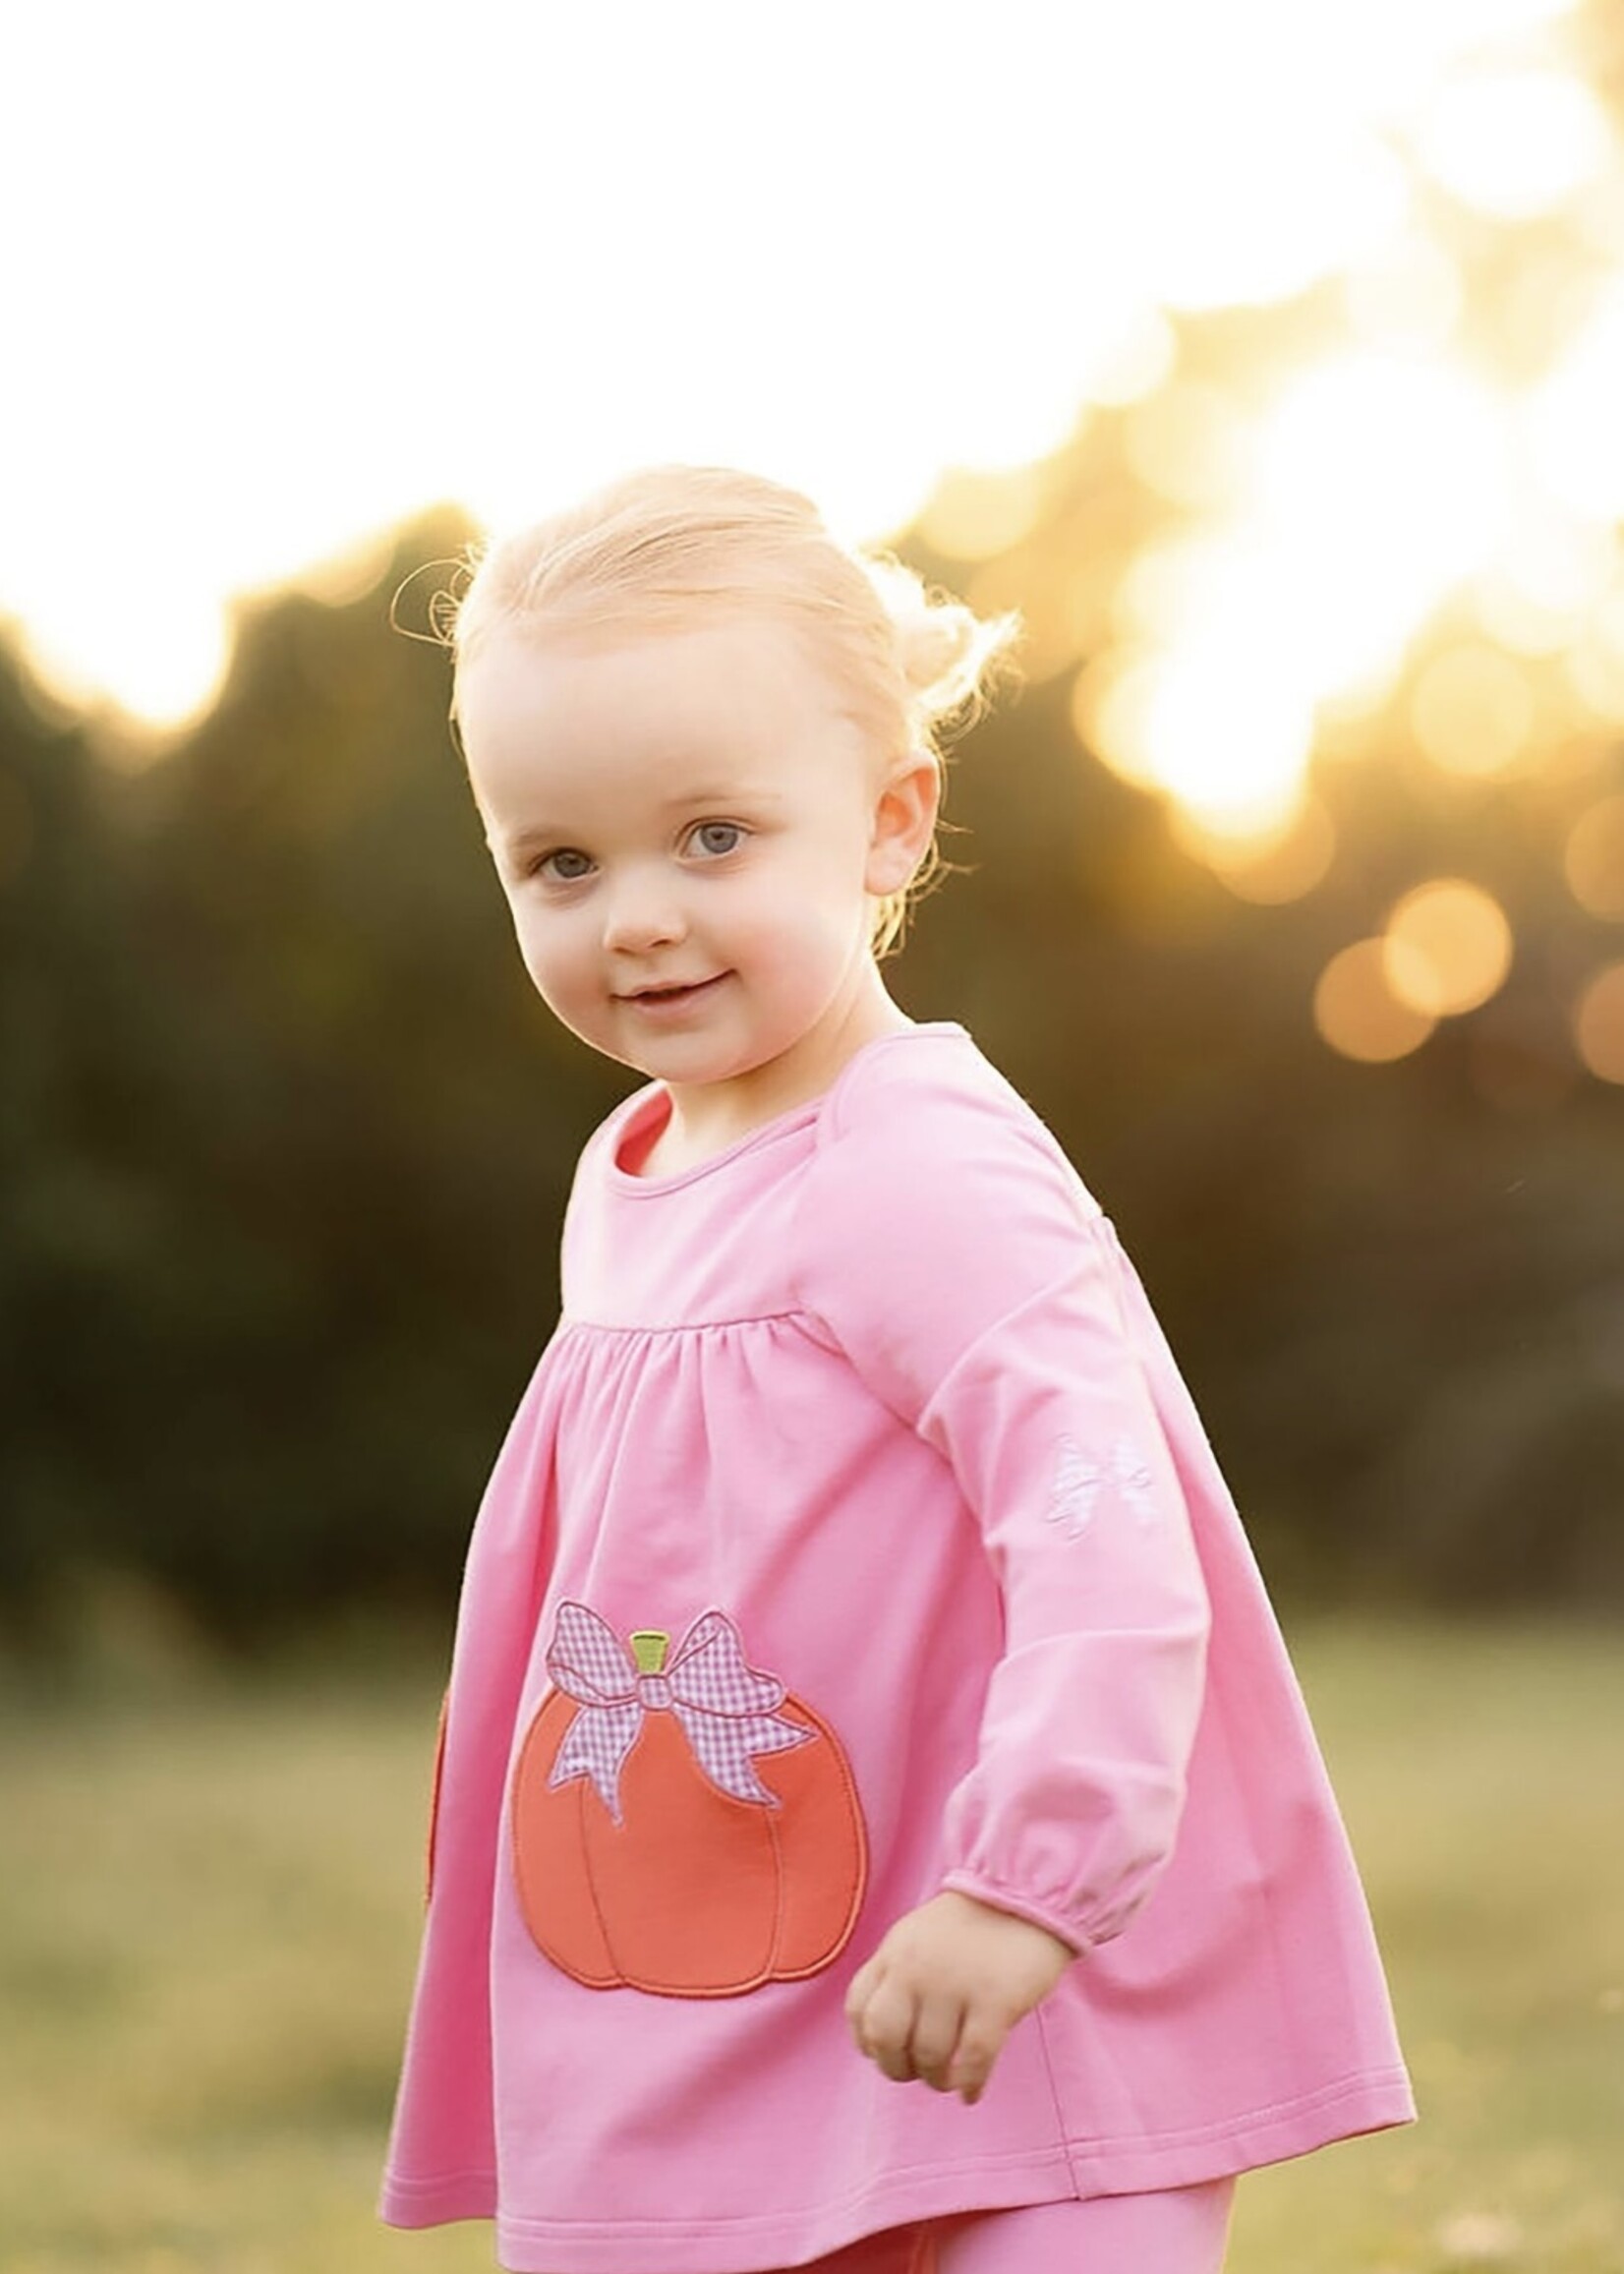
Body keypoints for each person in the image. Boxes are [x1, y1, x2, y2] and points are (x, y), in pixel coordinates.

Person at [377, 464, 1416, 2274]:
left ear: (887, 822)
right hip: (738, 1986)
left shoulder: (913, 1162)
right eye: (562, 859)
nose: (633, 912)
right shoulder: (630, 1176)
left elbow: (1102, 1528)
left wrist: (1034, 1885)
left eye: (712, 835)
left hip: (1023, 1980)